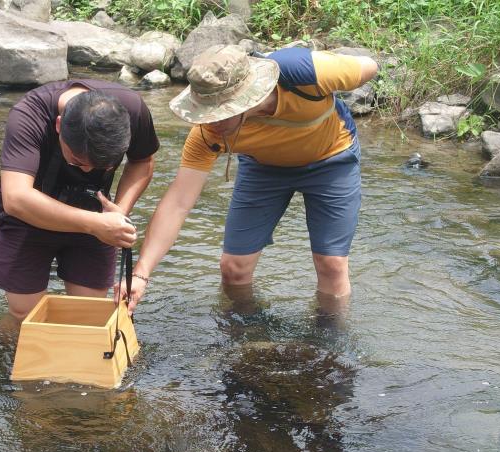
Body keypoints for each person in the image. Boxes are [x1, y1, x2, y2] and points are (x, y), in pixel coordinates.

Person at [124, 44, 378, 315]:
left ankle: (330, 343)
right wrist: (140, 274)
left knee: (332, 264)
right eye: (203, 110)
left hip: (332, 159)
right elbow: (178, 203)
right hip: (263, 169)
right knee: (233, 268)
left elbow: (370, 66)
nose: (211, 121)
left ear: (246, 97)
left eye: (219, 111)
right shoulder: (208, 135)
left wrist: (333, 67)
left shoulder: (301, 72)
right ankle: (246, 337)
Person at [0, 79, 159, 321]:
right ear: (58, 125)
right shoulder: (28, 116)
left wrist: (118, 213)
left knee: (88, 314)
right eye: (78, 162)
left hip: (94, 214)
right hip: (29, 216)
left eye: (104, 166)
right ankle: (13, 355)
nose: (89, 172)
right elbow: (16, 198)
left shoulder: (131, 109)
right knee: (24, 316)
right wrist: (95, 224)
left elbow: (142, 162)